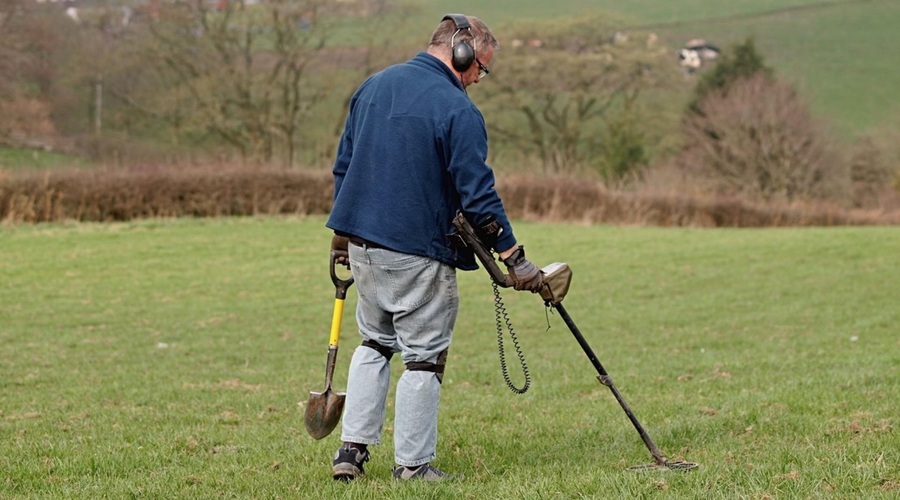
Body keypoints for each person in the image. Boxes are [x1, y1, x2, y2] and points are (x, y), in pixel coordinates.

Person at [325, 13, 543, 482]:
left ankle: (351, 453)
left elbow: (343, 167)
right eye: (480, 68)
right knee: (424, 356)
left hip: (362, 245)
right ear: (461, 52)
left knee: (374, 343)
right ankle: (413, 465)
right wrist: (513, 256)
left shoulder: (373, 86)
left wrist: (341, 237)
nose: (479, 79)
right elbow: (478, 195)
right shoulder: (457, 108)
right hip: (418, 251)